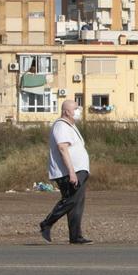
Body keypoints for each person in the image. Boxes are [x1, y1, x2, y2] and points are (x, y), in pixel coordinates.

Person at [39, 100, 93, 244]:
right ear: (66, 111)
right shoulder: (61, 126)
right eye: (75, 109)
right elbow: (62, 148)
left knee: (77, 202)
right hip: (69, 171)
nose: (78, 111)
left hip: (78, 170)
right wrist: (72, 172)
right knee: (72, 199)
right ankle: (47, 223)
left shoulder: (70, 126)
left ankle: (75, 236)